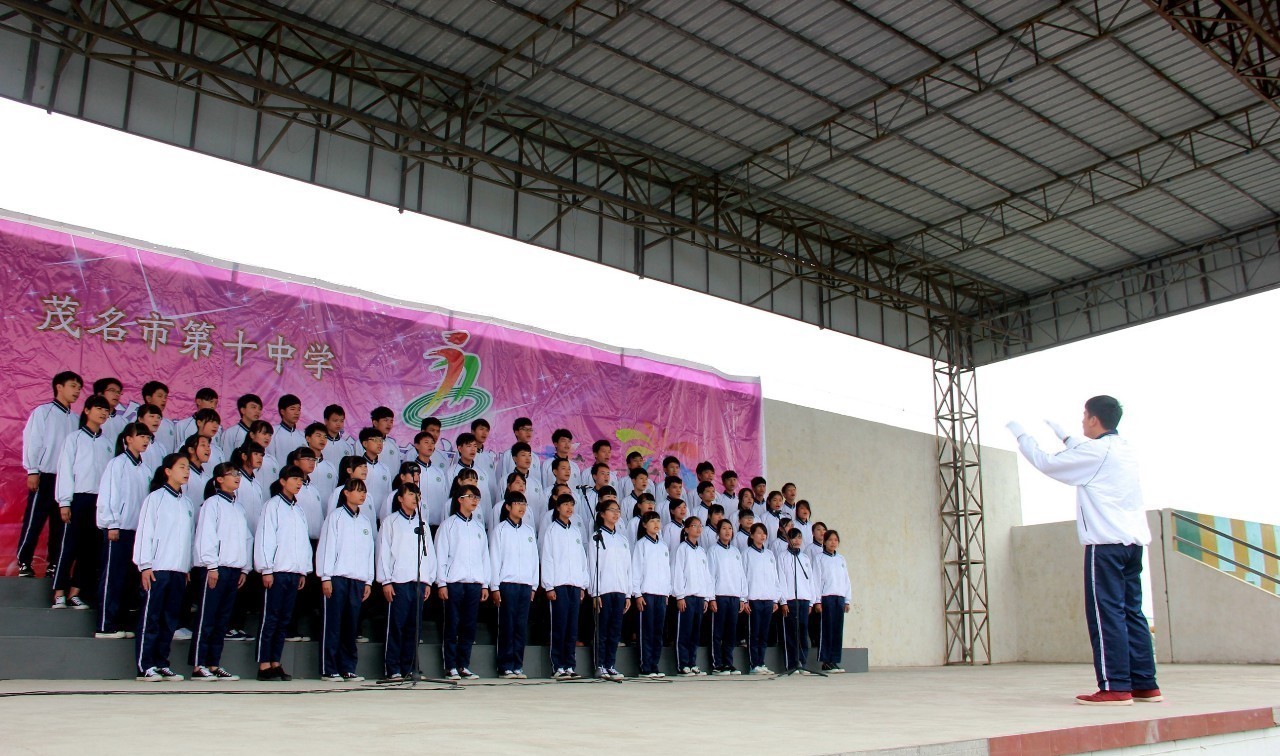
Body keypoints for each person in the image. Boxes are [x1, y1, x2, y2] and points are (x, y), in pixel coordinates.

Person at [1007, 395, 1160, 706]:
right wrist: (1063, 434)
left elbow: (1047, 463)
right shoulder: (1124, 449)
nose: (1081, 421)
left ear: (1093, 419)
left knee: (1106, 615)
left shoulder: (1096, 453)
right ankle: (1145, 684)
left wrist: (1021, 434)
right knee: (1133, 612)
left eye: (1083, 416)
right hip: (1133, 544)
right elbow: (1083, 449)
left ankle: (1115, 686)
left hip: (1105, 546)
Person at [132, 453, 195, 681]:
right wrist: (145, 565)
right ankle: (145, 664)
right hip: (157, 568)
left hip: (178, 570)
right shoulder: (155, 499)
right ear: (167, 471)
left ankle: (161, 662)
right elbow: (146, 531)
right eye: (181, 467)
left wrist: (186, 566)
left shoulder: (187, 503)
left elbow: (187, 537)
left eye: (188, 467)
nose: (186, 471)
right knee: (151, 617)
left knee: (170, 619)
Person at [190, 463, 253, 680]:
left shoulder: (239, 507)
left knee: (222, 619)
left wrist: (245, 567)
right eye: (232, 474)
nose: (237, 477)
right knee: (208, 616)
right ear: (219, 479)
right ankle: (199, 664)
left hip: (234, 569)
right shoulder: (212, 504)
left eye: (238, 474)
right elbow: (206, 535)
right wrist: (211, 565)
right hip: (215, 568)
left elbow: (246, 538)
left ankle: (214, 663)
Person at [52, 394, 114, 609]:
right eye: (99, 408)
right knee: (69, 546)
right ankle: (59, 591)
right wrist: (65, 502)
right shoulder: (74, 438)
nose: (103, 413)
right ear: (87, 410)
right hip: (78, 498)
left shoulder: (107, 443)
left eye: (106, 410)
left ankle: (75, 592)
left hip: (99, 502)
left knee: (90, 549)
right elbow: (66, 470)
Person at [94, 422, 154, 638]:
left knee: (130, 579)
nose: (145, 440)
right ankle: (105, 625)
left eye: (148, 437)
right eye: (141, 436)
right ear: (128, 439)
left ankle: (123, 623)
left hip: (136, 532)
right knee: (113, 577)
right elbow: (109, 494)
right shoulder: (117, 464)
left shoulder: (145, 469)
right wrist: (112, 523)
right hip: (118, 530)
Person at [253, 465, 311, 681]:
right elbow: (266, 537)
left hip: (293, 572)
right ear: (283, 481)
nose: (298, 483)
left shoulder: (298, 509)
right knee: (271, 617)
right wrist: (266, 568)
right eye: (294, 479)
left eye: (301, 480)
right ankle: (264, 664)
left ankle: (276, 661)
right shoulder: (273, 506)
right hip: (276, 571)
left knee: (284, 619)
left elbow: (303, 542)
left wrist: (303, 570)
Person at [316, 478, 375, 682]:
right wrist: (326, 576)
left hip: (357, 579)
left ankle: (348, 667)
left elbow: (369, 552)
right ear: (346, 493)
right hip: (337, 577)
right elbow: (327, 547)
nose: (361, 495)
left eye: (364, 491)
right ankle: (329, 668)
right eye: (357, 491)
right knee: (333, 624)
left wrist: (368, 580)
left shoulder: (365, 521)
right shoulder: (336, 517)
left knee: (351, 626)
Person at [377, 483, 435, 682]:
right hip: (398, 581)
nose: (415, 498)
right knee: (396, 626)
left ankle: (410, 667)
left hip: (417, 582)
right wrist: (386, 581)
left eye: (417, 494)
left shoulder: (423, 524)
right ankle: (392, 668)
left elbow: (429, 554)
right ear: (400, 498)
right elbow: (384, 552)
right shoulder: (390, 522)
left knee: (414, 628)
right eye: (411, 494)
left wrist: (427, 580)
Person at [434, 483, 490, 680]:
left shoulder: (478, 527)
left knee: (469, 625)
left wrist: (484, 583)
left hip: (474, 583)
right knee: (452, 624)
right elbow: (440, 555)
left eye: (477, 498)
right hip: (454, 582)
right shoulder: (448, 525)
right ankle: (450, 665)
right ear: (460, 499)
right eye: (471, 496)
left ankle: (464, 664)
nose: (474, 501)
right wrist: (441, 582)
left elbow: (485, 557)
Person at [489, 491, 538, 679]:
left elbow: (534, 559)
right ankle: (505, 666)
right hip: (507, 583)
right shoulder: (500, 530)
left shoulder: (529, 531)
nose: (522, 507)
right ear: (508, 507)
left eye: (524, 503)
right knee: (507, 626)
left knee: (520, 626)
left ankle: (518, 665)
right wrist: (495, 586)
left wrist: (533, 585)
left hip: (525, 584)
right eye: (517, 503)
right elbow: (495, 559)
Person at [540, 493, 588, 679]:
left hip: (575, 584)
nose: (569, 508)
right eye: (565, 504)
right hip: (559, 584)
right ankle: (557, 666)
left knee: (572, 627)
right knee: (559, 626)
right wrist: (549, 586)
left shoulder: (575, 531)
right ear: (557, 507)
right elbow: (548, 558)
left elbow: (581, 560)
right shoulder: (552, 530)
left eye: (571, 505)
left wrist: (583, 584)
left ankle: (569, 665)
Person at [588, 494, 630, 680]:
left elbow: (627, 568)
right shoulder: (597, 537)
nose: (616, 514)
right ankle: (600, 665)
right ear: (602, 514)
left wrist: (628, 594)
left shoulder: (622, 539)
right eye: (612, 510)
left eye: (618, 511)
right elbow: (593, 565)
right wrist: (594, 592)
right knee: (602, 630)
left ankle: (611, 664)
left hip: (620, 589)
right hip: (603, 589)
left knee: (615, 630)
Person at [630, 511, 670, 678]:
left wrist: (667, 592)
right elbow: (637, 569)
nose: (656, 524)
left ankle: (654, 664)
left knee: (657, 632)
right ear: (644, 524)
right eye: (652, 521)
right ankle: (645, 665)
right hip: (647, 593)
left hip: (661, 593)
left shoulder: (663, 545)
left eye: (658, 521)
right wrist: (637, 594)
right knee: (646, 630)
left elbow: (667, 570)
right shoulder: (641, 545)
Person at [671, 516, 713, 676]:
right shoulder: (682, 549)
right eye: (694, 526)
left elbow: (706, 575)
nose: (698, 529)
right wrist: (680, 596)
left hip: (700, 596)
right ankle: (683, 664)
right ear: (686, 529)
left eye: (700, 526)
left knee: (695, 632)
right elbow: (678, 572)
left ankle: (692, 662)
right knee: (684, 631)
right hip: (687, 596)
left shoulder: (701, 551)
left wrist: (707, 597)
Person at [707, 518, 747, 675]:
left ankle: (729, 663)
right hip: (720, 595)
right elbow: (710, 575)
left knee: (731, 632)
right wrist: (711, 597)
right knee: (717, 632)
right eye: (724, 528)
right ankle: (717, 664)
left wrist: (742, 597)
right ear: (718, 532)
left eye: (730, 528)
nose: (727, 531)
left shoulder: (736, 552)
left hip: (734, 596)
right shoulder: (713, 550)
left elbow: (741, 575)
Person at [777, 527, 818, 674]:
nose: (797, 540)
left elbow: (810, 581)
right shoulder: (782, 557)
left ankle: (803, 662)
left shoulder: (805, 558)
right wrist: (783, 601)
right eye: (794, 537)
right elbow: (781, 579)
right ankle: (792, 664)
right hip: (790, 600)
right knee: (791, 633)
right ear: (788, 539)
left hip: (804, 599)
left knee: (802, 633)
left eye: (800, 537)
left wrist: (811, 601)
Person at [743, 522, 780, 675]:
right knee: (754, 633)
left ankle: (761, 662)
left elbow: (775, 578)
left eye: (764, 533)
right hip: (754, 598)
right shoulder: (746, 554)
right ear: (752, 535)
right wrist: (744, 599)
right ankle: (754, 664)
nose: (762, 536)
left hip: (768, 599)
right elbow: (743, 577)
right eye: (758, 533)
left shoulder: (770, 555)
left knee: (764, 634)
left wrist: (776, 598)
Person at [813, 529, 851, 674]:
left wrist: (847, 599)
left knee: (837, 630)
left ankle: (834, 660)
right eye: (830, 540)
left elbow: (846, 580)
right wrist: (817, 601)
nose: (833, 542)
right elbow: (816, 579)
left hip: (839, 598)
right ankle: (826, 661)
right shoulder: (819, 558)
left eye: (835, 540)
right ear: (824, 541)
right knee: (826, 630)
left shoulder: (841, 559)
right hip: (826, 597)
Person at [412, 431, 450, 528]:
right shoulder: (411, 469)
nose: (430, 445)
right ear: (416, 445)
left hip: (437, 523)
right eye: (426, 442)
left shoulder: (439, 472)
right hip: (417, 520)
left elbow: (444, 497)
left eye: (432, 443)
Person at [220, 393, 262, 459]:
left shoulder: (262, 434)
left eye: (260, 408)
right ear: (243, 410)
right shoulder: (230, 433)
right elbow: (225, 458)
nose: (257, 411)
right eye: (253, 407)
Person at [371, 406, 402, 471]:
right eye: (385, 420)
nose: (389, 424)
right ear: (375, 423)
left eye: (391, 421)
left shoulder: (394, 445)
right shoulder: (363, 443)